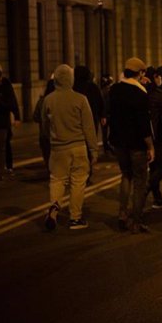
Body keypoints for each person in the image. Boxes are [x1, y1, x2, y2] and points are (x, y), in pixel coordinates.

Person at [41, 65, 98, 230]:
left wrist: (51, 137)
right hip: (78, 146)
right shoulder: (80, 99)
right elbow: (89, 127)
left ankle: (54, 206)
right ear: (70, 80)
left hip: (58, 148)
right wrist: (93, 150)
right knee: (78, 182)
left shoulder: (49, 100)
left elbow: (44, 125)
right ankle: (75, 218)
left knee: (57, 180)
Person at [108, 57, 155, 233]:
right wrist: (150, 146)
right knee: (140, 182)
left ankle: (122, 213)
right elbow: (144, 124)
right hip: (137, 144)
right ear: (141, 73)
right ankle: (136, 221)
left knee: (125, 175)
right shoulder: (140, 94)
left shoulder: (114, 90)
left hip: (119, 142)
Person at [145, 68, 162, 208]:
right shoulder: (161, 95)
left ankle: (157, 197)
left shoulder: (143, 93)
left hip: (147, 136)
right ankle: (146, 189)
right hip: (160, 137)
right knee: (161, 168)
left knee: (154, 167)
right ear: (155, 77)